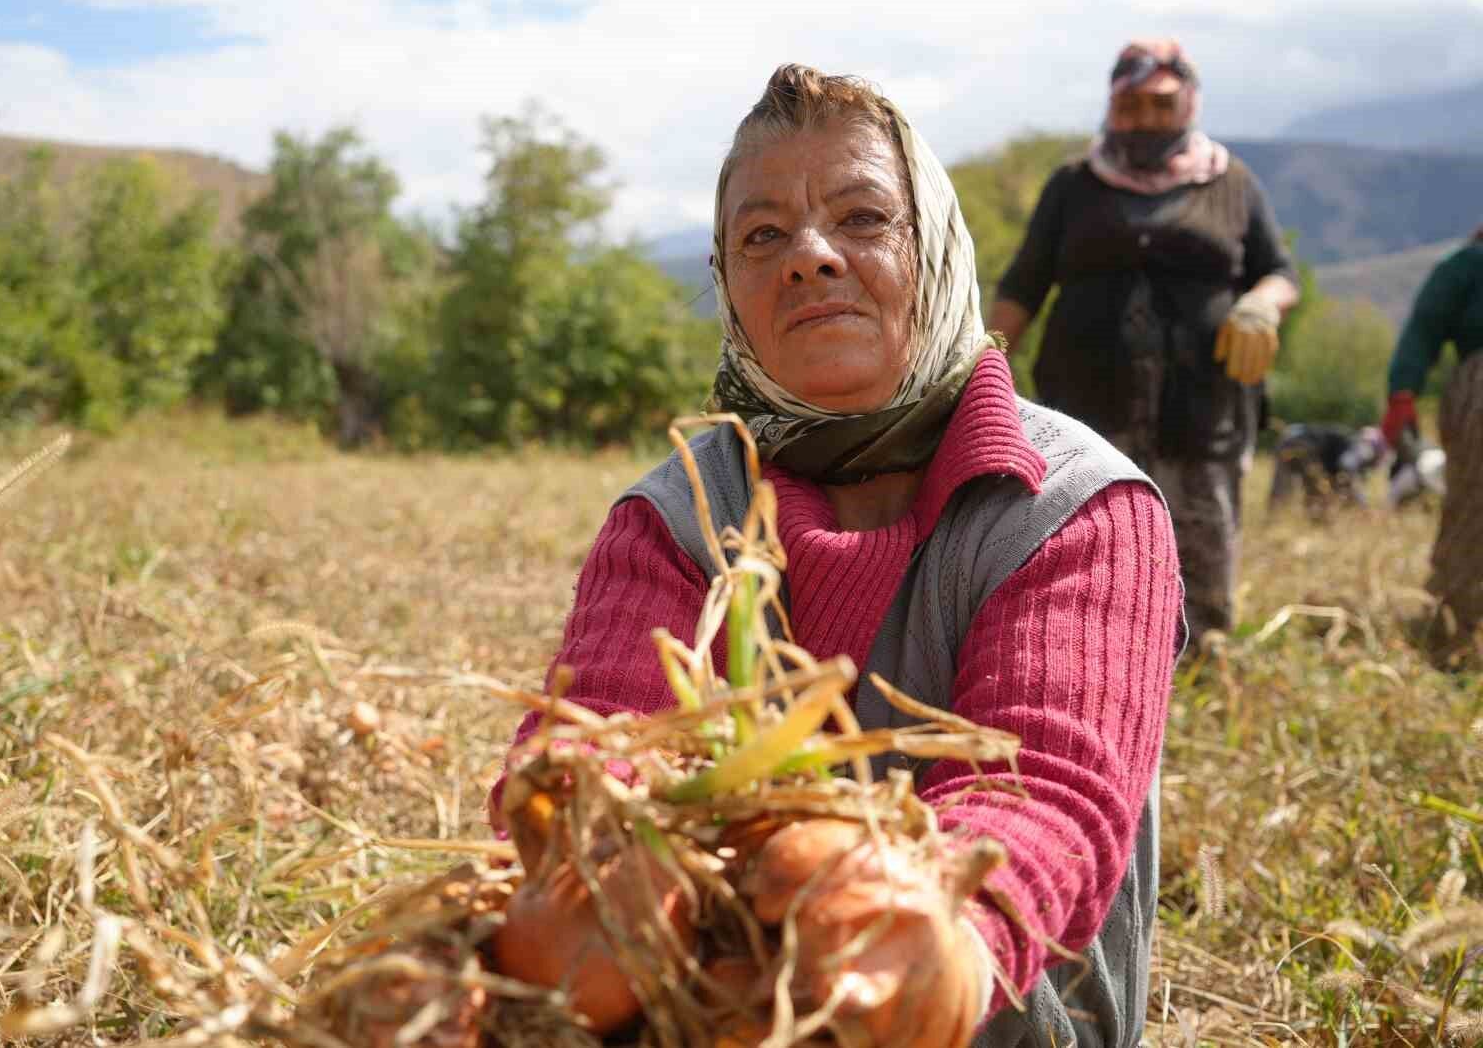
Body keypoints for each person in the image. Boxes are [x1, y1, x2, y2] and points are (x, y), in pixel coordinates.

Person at [495, 65, 1184, 1047]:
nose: (809, 258)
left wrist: (891, 938)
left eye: (863, 219)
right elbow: (597, 730)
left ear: (935, 249)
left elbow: (1045, 795)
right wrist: (592, 836)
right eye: (762, 235)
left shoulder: (1075, 505)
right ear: (726, 284)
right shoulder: (678, 515)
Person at [987, 38, 1299, 643]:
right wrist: (983, 364)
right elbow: (1023, 284)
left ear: (1188, 104)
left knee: (1202, 534)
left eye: (1161, 105)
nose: (1145, 120)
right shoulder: (1074, 185)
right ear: (1111, 107)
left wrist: (1262, 303)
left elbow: (1281, 272)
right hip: (1087, 405)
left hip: (1202, 406)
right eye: (1131, 107)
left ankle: (1204, 656)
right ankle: (1089, 649)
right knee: (1083, 529)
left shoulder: (1231, 183)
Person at [1380, 225, 1483, 646]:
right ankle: (1457, 622)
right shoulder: (1469, 266)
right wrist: (1403, 392)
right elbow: (1424, 328)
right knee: (1474, 509)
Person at [1267, 423, 1387, 517]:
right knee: (1318, 496)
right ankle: (1317, 524)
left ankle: (1272, 521)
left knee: (1281, 491)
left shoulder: (1342, 441)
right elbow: (1347, 467)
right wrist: (1362, 505)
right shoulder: (1359, 447)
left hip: (1287, 441)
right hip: (1304, 445)